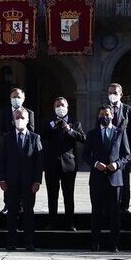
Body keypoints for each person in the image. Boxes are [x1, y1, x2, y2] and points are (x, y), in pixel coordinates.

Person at [84, 105, 131, 252]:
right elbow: (85, 155)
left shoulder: (120, 132)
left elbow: (127, 155)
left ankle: (114, 243)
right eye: (102, 114)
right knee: (96, 211)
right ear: (99, 116)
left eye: (107, 114)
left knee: (114, 213)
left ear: (112, 116)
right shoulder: (92, 134)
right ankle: (95, 242)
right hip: (97, 178)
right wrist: (96, 163)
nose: (105, 116)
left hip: (115, 178)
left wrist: (117, 165)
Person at [0, 108, 43, 251]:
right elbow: (2, 160)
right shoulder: (7, 137)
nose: (19, 120)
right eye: (17, 117)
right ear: (12, 120)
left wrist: (37, 180)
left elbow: (39, 161)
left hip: (29, 182)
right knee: (12, 212)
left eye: (22, 117)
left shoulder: (35, 137)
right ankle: (11, 242)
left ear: (28, 120)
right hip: (11, 181)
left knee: (28, 212)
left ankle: (29, 242)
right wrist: (2, 179)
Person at [41, 97, 85, 231]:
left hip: (68, 165)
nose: (60, 107)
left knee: (69, 195)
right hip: (51, 164)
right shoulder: (49, 123)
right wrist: (54, 126)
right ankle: (52, 222)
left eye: (62, 105)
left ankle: (70, 222)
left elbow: (83, 138)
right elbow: (42, 137)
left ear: (67, 107)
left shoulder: (75, 123)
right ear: (54, 108)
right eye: (57, 105)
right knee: (52, 195)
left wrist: (69, 130)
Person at [0, 87, 36, 214]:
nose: (16, 99)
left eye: (18, 97)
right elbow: (0, 129)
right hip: (9, 148)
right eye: (14, 97)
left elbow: (31, 130)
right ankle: (7, 204)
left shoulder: (29, 113)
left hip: (24, 149)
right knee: (9, 181)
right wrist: (8, 140)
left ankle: (23, 205)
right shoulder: (4, 112)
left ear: (23, 98)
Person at [107, 83, 131, 214]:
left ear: (121, 94)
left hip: (124, 149)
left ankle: (124, 206)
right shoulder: (105, 109)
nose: (112, 95)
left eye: (115, 93)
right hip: (109, 149)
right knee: (108, 177)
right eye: (110, 93)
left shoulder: (128, 110)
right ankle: (109, 204)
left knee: (124, 178)